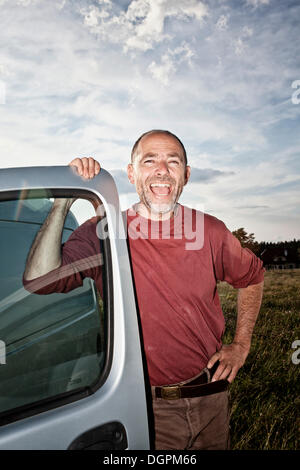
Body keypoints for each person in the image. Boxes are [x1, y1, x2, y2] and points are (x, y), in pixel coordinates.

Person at [23, 129, 264, 450]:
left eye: (173, 162)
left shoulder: (211, 231)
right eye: (150, 160)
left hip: (211, 399)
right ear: (132, 173)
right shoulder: (103, 233)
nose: (162, 170)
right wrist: (62, 202)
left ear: (187, 175)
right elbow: (40, 279)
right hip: (143, 408)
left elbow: (253, 277)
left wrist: (241, 344)